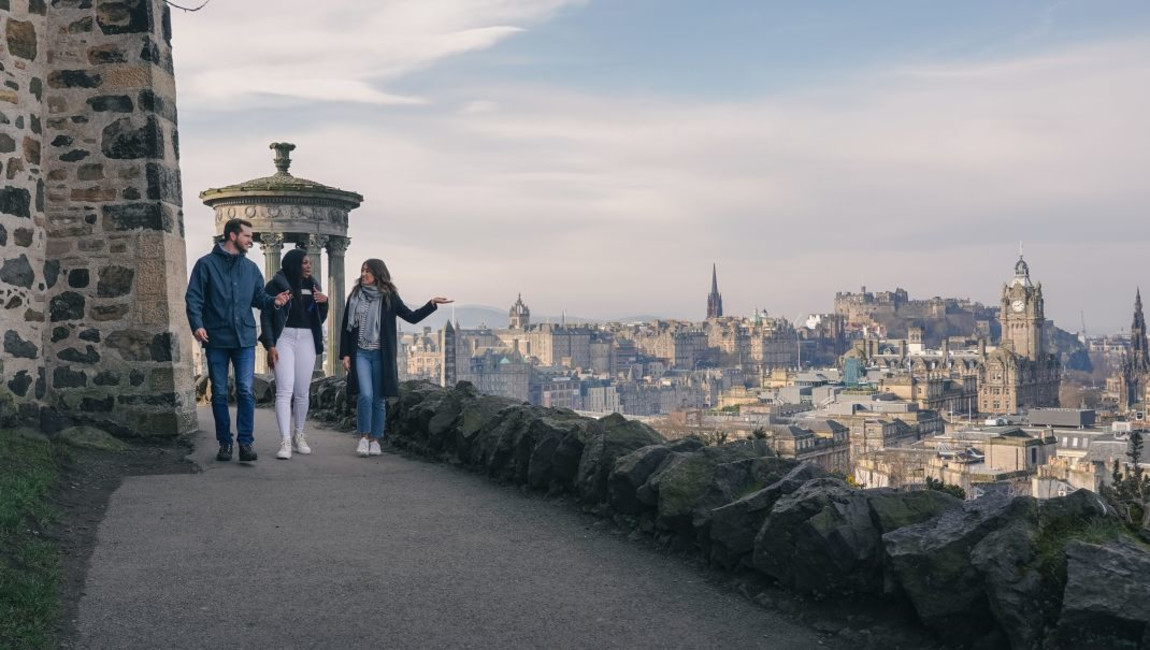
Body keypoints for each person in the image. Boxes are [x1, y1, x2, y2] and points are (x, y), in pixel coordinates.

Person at [186, 219, 290, 463]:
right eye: (247, 236)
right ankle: (225, 443)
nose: (250, 240)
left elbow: (259, 298)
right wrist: (197, 325)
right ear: (232, 236)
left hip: (244, 339)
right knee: (220, 392)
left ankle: (245, 443)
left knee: (245, 390)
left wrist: (274, 301)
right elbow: (194, 298)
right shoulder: (205, 265)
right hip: (216, 338)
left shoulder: (251, 268)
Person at [339, 259, 452, 457]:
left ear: (378, 273)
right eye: (362, 270)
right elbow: (346, 328)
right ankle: (363, 438)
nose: (364, 274)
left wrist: (431, 304)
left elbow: (411, 317)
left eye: (368, 271)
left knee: (379, 399)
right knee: (365, 395)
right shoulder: (355, 296)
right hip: (361, 353)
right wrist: (345, 354)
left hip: (381, 355)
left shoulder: (389, 297)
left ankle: (376, 440)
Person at [259, 249, 329, 460]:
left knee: (302, 391)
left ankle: (299, 434)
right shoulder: (274, 285)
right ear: (295, 264)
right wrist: (270, 345)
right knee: (284, 390)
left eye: (309, 262)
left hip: (307, 338)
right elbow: (266, 317)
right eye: (305, 263)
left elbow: (318, 317)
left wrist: (324, 302)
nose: (309, 266)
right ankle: (285, 440)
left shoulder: (313, 284)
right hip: (284, 338)